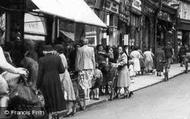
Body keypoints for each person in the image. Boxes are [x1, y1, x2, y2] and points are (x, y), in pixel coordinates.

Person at [36, 45, 66, 118]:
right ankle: (57, 113)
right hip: (56, 79)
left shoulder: (41, 60)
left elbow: (40, 74)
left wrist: (37, 85)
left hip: (45, 80)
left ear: (44, 51)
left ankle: (50, 114)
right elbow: (62, 70)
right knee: (56, 95)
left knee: (48, 97)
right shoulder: (57, 57)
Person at [54, 44, 76, 117]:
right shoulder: (61, 56)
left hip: (63, 76)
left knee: (66, 92)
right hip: (65, 75)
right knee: (67, 92)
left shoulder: (60, 57)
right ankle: (70, 110)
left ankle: (69, 110)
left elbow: (62, 68)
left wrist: (59, 79)